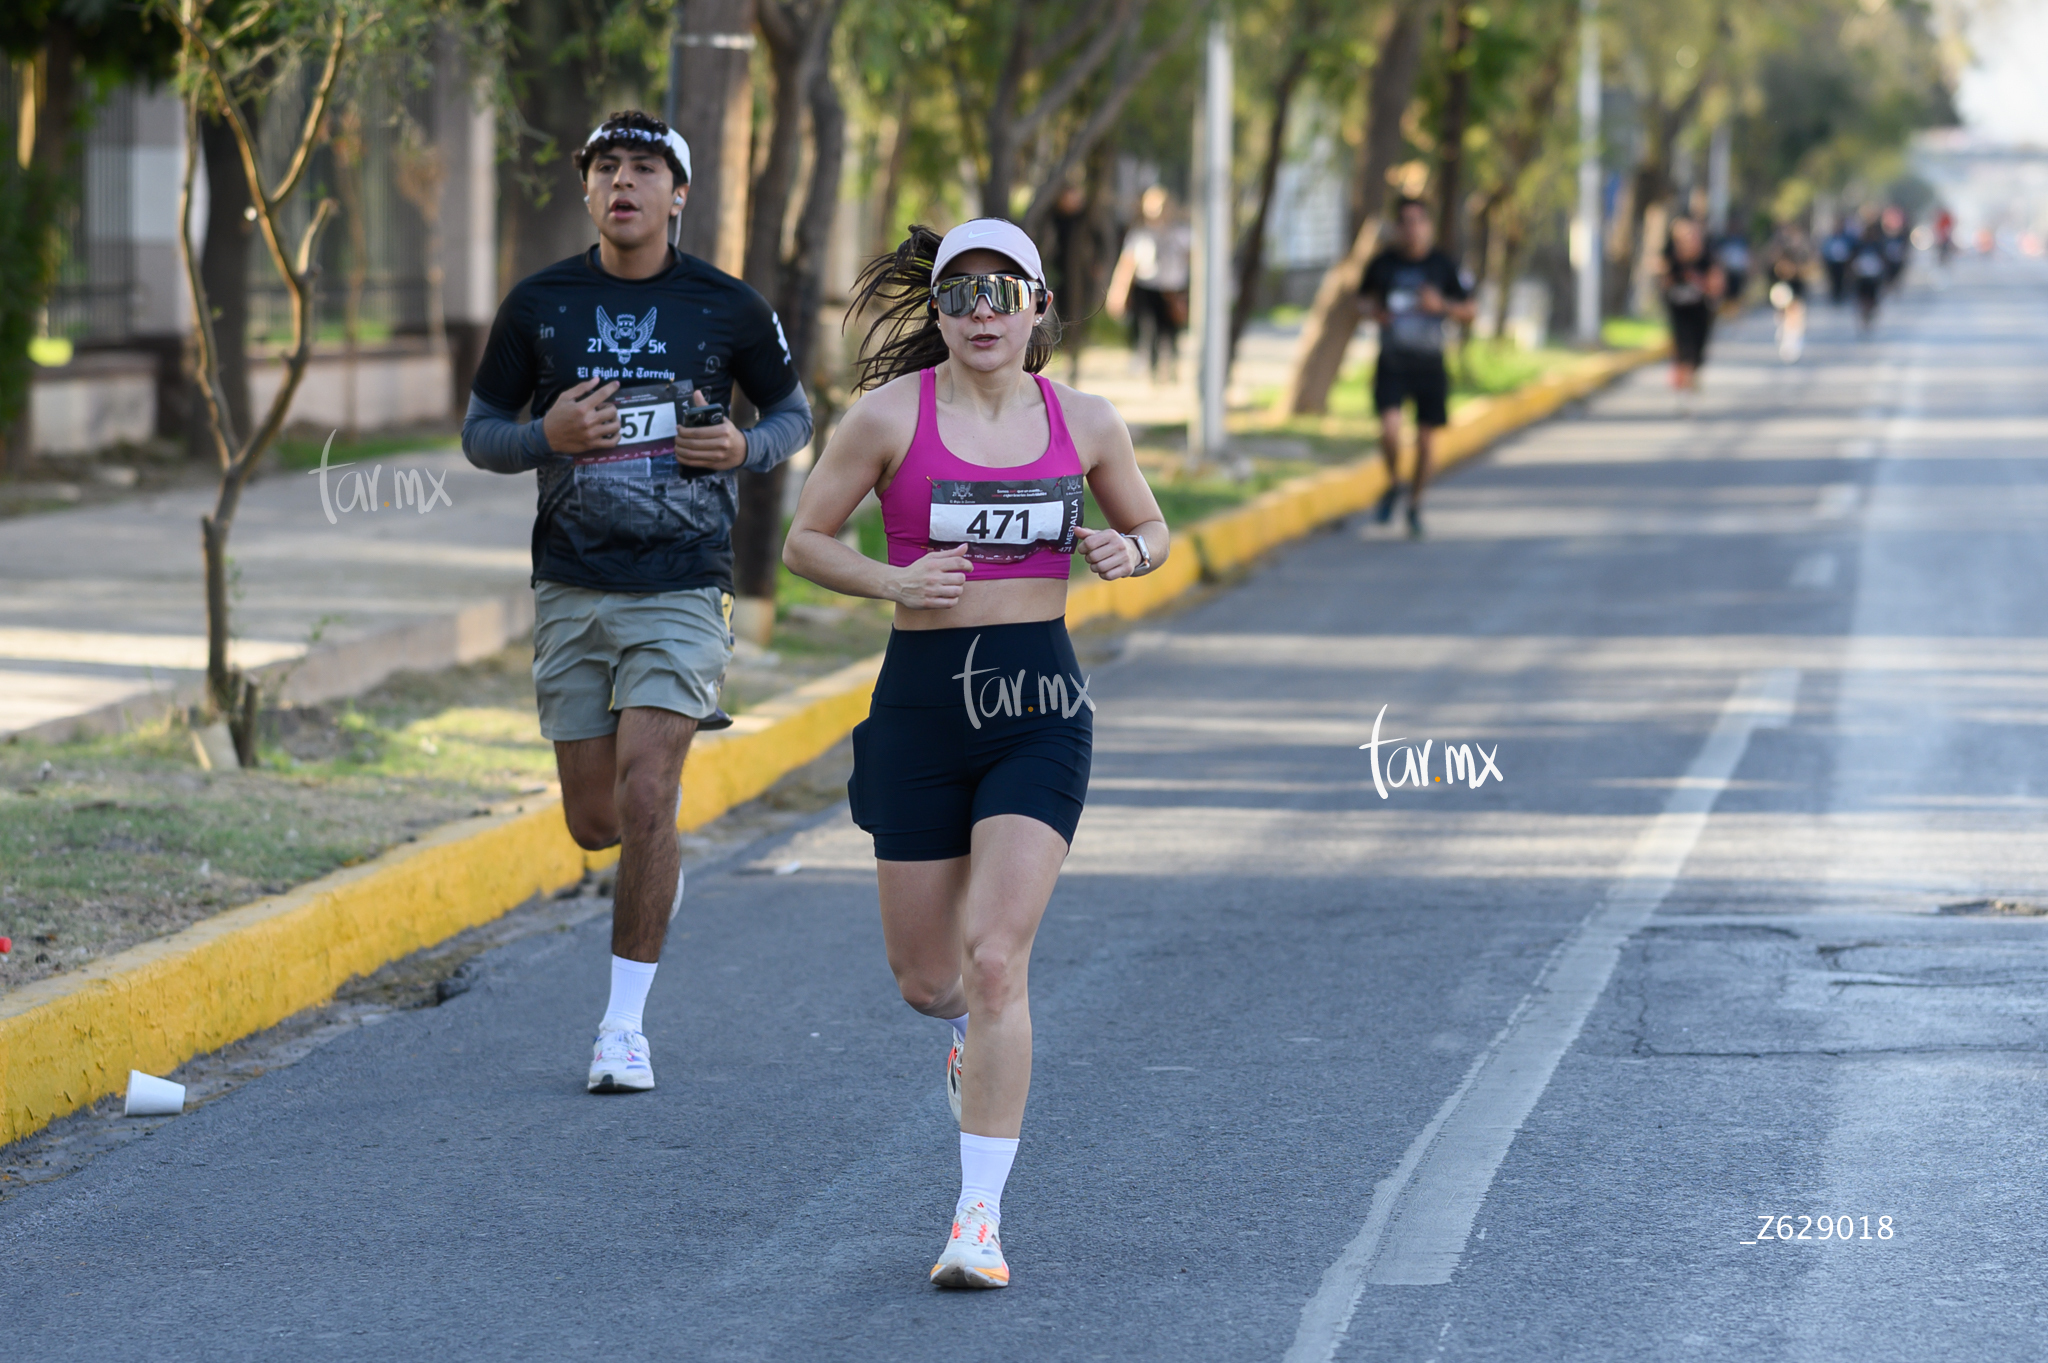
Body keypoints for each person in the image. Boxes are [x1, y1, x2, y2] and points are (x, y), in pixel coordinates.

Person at [782, 218, 1169, 1290]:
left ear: (1040, 307)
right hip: (919, 706)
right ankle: (965, 1041)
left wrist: (1123, 548)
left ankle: (977, 1222)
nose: (981, 313)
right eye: (959, 295)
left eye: (1004, 293)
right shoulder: (886, 417)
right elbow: (803, 540)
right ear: (940, 314)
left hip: (1037, 698)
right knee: (928, 978)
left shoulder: (1083, 420)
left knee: (998, 957)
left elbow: (1153, 529)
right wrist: (893, 581)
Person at [460, 110, 813, 1093]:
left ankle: (622, 1028)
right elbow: (481, 431)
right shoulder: (540, 304)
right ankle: (651, 860)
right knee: (595, 821)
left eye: (644, 167)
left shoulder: (728, 307)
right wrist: (547, 436)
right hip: (571, 584)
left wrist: (744, 447)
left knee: (649, 792)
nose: (624, 181)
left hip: (684, 582)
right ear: (586, 190)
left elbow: (793, 413)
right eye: (606, 166)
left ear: (678, 193)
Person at [1359, 196, 1475, 539]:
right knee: (1390, 429)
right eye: (1405, 222)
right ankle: (1395, 481)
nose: (1412, 229)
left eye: (1418, 221)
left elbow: (1470, 309)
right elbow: (1362, 299)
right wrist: (1372, 313)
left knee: (1426, 443)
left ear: (1428, 226)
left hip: (1429, 363)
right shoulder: (1383, 264)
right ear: (1397, 227)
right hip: (1392, 360)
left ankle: (1415, 502)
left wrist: (1440, 305)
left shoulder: (1443, 265)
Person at [1105, 186, 1190, 383]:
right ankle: (1152, 372)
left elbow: (1192, 260)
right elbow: (1127, 265)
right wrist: (1118, 292)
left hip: (1173, 289)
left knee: (1170, 332)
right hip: (1147, 287)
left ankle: (1170, 368)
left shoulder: (1182, 233)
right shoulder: (1138, 235)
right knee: (1148, 329)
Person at [1657, 216, 1725, 399]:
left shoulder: (1707, 256)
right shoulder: (1670, 254)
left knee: (1697, 350)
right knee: (1682, 347)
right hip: (1678, 310)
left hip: (1701, 310)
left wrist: (1700, 282)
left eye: (1693, 234)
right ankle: (1684, 387)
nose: (1689, 238)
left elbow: (1716, 282)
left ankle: (1691, 378)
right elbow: (1662, 278)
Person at [1766, 224, 1812, 364]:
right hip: (1781, 286)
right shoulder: (1776, 249)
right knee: (1783, 314)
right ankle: (1786, 335)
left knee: (1796, 312)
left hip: (1796, 285)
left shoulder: (1800, 250)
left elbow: (1807, 266)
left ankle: (1792, 342)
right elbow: (1771, 267)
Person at [1850, 218, 1888, 335]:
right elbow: (1852, 259)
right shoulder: (1859, 244)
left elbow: (1883, 259)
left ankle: (1869, 315)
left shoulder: (1878, 245)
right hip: (1862, 276)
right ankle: (1864, 316)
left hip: (1874, 277)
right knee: (1862, 298)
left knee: (1872, 299)